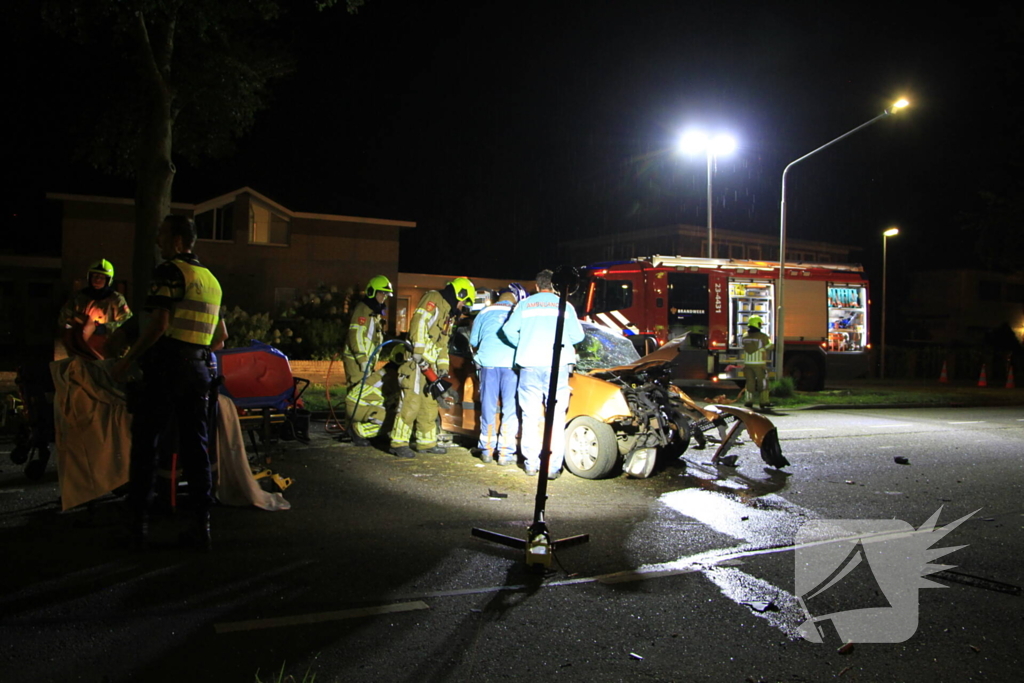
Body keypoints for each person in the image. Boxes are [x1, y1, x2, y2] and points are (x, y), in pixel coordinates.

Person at [114, 215, 227, 551]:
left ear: (178, 241)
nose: (158, 242)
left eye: (162, 235)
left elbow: (159, 324)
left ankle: (137, 525)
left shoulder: (169, 271)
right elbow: (221, 337)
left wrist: (127, 359)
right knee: (196, 448)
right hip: (199, 370)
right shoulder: (211, 280)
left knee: (147, 445)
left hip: (166, 368)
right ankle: (200, 527)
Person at [500, 270, 585, 479]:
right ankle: (552, 467)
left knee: (530, 415)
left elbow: (508, 331)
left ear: (537, 287)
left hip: (529, 364)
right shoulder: (565, 305)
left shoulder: (524, 305)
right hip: (557, 365)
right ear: (554, 286)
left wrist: (523, 343)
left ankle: (531, 463)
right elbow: (578, 335)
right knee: (555, 417)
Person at [389, 277, 475, 459]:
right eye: (462, 302)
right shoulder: (434, 299)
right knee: (411, 402)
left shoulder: (449, 314)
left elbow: (443, 344)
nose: (461, 307)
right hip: (415, 362)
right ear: (458, 294)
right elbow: (419, 323)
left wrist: (442, 368)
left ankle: (426, 442)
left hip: (430, 366)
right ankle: (398, 442)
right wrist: (418, 351)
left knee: (429, 404)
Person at [468, 283, 527, 466]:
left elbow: (473, 341)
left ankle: (486, 450)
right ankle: (505, 453)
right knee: (510, 409)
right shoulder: (518, 313)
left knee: (488, 408)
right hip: (511, 367)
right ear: (516, 298)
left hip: (489, 366)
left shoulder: (484, 313)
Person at [342, 275, 393, 447]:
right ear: (372, 292)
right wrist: (362, 359)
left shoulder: (374, 312)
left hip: (366, 361)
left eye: (385, 294)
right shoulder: (363, 309)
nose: (383, 297)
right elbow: (355, 335)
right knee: (357, 395)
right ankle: (354, 431)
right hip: (356, 361)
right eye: (381, 293)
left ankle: (363, 429)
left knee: (365, 395)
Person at [58, 259, 132, 360]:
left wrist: (104, 328)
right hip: (82, 347)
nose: (97, 280)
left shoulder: (116, 299)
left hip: (106, 346)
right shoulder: (79, 297)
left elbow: (126, 322)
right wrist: (72, 326)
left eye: (102, 277)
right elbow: (63, 319)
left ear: (108, 280)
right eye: (95, 276)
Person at [741, 315, 774, 410]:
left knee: (749, 382)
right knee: (763, 382)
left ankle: (748, 401)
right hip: (759, 364)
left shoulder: (745, 336)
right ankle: (764, 401)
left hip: (747, 364)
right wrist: (771, 343)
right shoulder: (762, 336)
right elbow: (769, 347)